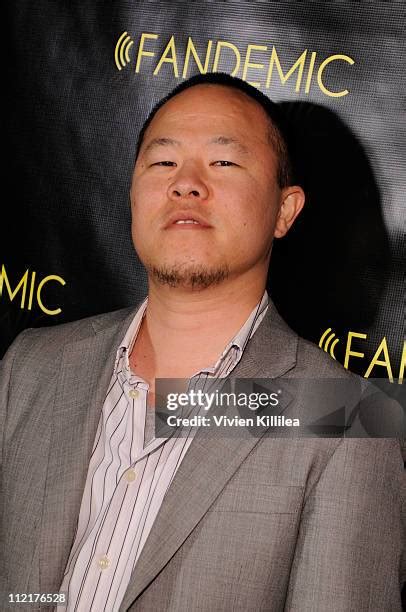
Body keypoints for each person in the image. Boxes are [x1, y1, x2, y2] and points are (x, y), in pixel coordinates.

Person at [0, 73, 404, 612]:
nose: (186, 183)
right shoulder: (31, 366)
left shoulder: (344, 417)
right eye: (163, 161)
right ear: (133, 193)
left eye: (224, 162)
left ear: (284, 211)